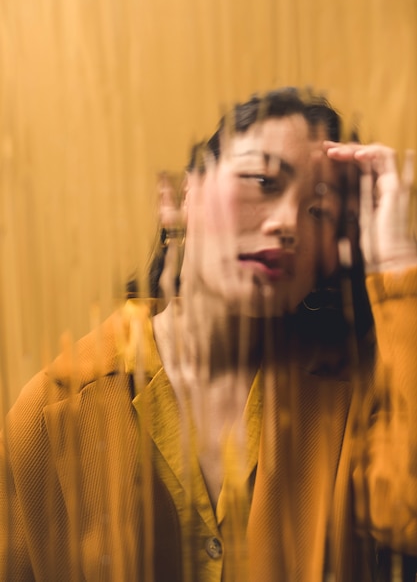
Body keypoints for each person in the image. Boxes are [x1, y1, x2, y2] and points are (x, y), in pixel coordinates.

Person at [1, 88, 417, 581]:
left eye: (320, 212)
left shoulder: (356, 391)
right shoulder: (50, 415)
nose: (287, 224)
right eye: (263, 180)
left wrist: (398, 265)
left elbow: (406, 518)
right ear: (178, 197)